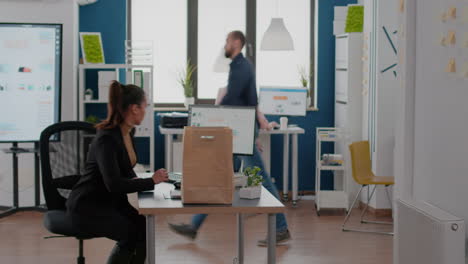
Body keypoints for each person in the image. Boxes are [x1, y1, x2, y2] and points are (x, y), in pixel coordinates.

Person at [169, 31, 291, 247]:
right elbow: (250, 101)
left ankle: (281, 228)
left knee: (260, 178)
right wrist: (256, 127)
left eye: (227, 41)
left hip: (239, 132)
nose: (224, 45)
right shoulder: (243, 66)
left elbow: (233, 100)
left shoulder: (240, 66)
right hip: (240, 131)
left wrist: (246, 132)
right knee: (220, 177)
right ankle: (194, 226)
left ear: (236, 42)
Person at [66, 81, 169, 264]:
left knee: (145, 228)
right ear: (134, 108)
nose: (146, 111)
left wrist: (153, 181)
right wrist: (151, 181)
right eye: (145, 106)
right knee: (131, 234)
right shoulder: (107, 139)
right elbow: (114, 184)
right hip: (89, 207)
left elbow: (127, 172)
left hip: (110, 202)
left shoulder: (128, 133)